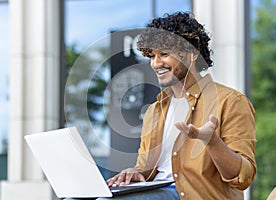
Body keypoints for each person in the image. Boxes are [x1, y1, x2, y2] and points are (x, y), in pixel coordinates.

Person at [106, 12, 256, 199]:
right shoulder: (155, 110)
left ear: (191, 54)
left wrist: (212, 142)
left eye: (164, 54)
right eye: (152, 56)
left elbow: (244, 177)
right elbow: (145, 167)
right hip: (154, 192)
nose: (156, 63)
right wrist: (136, 172)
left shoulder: (230, 101)